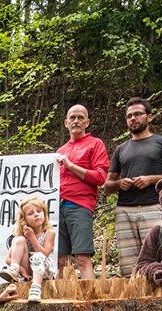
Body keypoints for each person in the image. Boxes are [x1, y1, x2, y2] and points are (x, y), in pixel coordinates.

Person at [104, 97, 162, 277]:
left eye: (138, 114)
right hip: (124, 209)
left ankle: (161, 299)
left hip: (153, 206)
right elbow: (107, 186)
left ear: (149, 117)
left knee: (157, 257)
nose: (133, 118)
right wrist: (119, 184)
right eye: (129, 116)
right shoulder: (121, 149)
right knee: (128, 264)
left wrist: (150, 179)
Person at [55, 105, 109, 280]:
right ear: (66, 123)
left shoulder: (95, 144)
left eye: (80, 117)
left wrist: (70, 166)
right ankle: (60, 302)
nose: (76, 121)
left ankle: (91, 302)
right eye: (72, 118)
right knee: (60, 260)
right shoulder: (60, 151)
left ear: (87, 122)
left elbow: (100, 177)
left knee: (82, 258)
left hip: (79, 206)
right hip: (57, 208)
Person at [0, 197, 57, 303]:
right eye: (31, 213)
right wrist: (23, 270)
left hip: (45, 270)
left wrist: (32, 238)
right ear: (24, 220)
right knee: (19, 239)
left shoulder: (49, 232)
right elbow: (8, 259)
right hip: (29, 270)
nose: (36, 214)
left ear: (44, 214)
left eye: (39, 211)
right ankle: (14, 270)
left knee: (38, 256)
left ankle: (35, 289)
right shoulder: (23, 235)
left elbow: (45, 254)